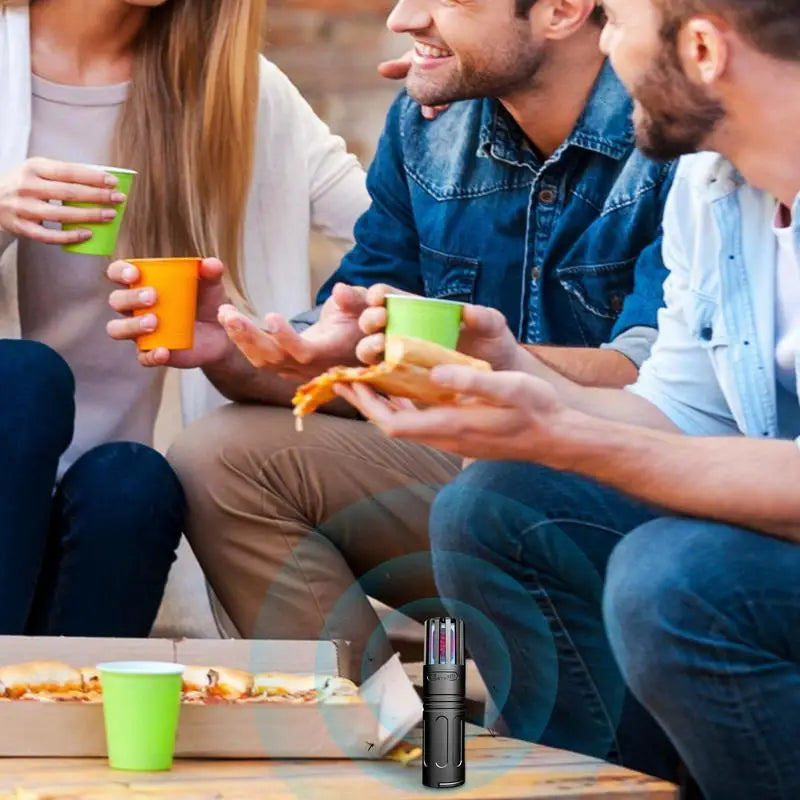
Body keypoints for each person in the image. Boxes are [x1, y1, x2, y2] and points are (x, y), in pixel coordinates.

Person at [335, 0, 800, 794]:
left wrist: (563, 433)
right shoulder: (712, 181)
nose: (607, 58)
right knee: (500, 502)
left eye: (616, 24)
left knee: (679, 579)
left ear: (700, 49)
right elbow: (681, 414)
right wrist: (511, 370)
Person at [167, 0, 674, 687]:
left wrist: (466, 356)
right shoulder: (427, 128)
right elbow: (357, 346)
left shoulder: (675, 137)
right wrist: (244, 353)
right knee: (220, 456)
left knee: (495, 496)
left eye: (447, 1)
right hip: (470, 483)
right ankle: (361, 747)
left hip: (641, 501)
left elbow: (666, 379)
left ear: (560, 10)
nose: (405, 19)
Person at [0, 0, 369, 635]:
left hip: (101, 508)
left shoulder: (238, 92)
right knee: (26, 378)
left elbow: (396, 231)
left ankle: (60, 714)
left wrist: (461, 116)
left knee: (136, 480)